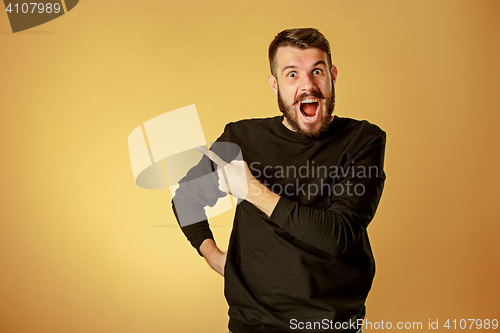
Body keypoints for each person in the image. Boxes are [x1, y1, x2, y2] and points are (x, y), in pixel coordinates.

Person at [172, 28, 386, 333]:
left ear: (332, 75)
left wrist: (254, 191)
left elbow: (338, 235)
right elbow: (185, 199)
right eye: (292, 75)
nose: (307, 85)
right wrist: (213, 254)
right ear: (275, 84)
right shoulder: (241, 139)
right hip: (252, 323)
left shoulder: (362, 141)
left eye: (317, 71)